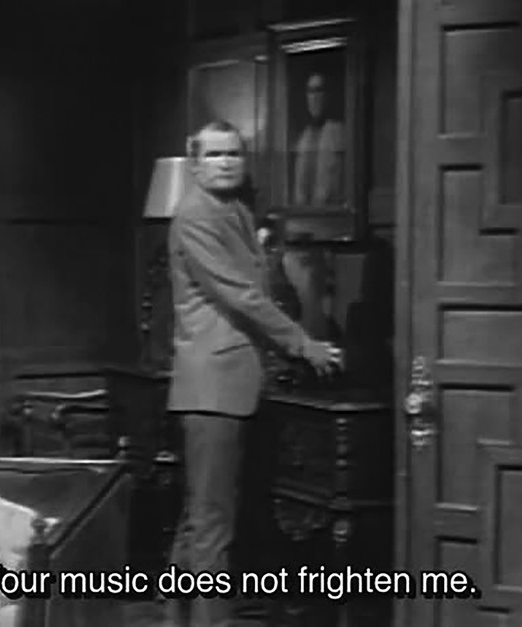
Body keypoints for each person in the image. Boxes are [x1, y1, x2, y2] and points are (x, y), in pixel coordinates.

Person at [163, 120, 342, 627]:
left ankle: (176, 619)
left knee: (202, 518)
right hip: (211, 385)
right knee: (212, 524)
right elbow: (240, 294)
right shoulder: (194, 216)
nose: (225, 162)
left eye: (233, 154)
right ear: (194, 163)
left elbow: (257, 285)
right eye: (214, 154)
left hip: (235, 381)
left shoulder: (236, 211)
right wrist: (303, 344)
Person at [292, 72, 344, 207]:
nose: (314, 97)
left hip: (333, 213)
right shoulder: (303, 138)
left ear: (327, 96)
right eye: (310, 92)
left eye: (319, 91)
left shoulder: (339, 133)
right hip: (305, 214)